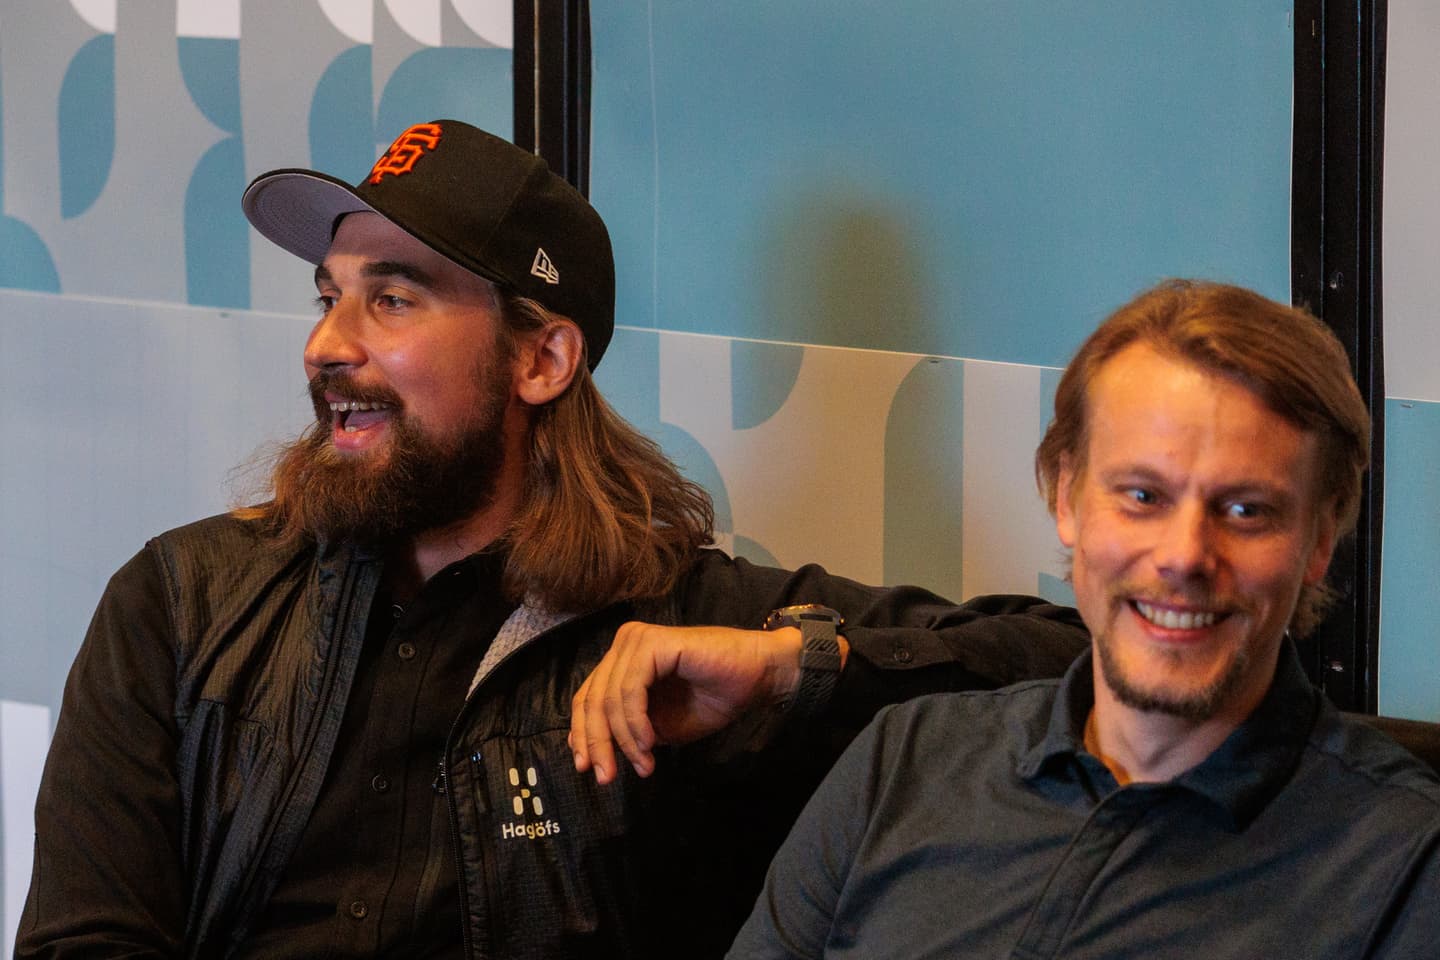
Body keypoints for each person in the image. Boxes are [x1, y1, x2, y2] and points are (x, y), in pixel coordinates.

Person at [16, 119, 1087, 960]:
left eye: (392, 299)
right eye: (329, 296)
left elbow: (1066, 665)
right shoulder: (180, 603)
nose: (326, 345)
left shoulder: (684, 623)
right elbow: (85, 941)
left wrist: (788, 667)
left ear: (542, 361)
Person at [728, 280, 1440, 960]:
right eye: (1141, 495)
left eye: (1246, 510)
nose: (1184, 556)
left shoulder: (1403, 871)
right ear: (1066, 497)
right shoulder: (904, 763)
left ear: (1320, 538)